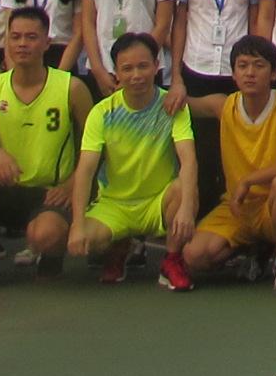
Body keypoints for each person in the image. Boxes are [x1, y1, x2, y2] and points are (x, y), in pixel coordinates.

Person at [0, 7, 90, 289]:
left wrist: (72, 183)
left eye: (31, 37)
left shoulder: (71, 88)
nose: (22, 44)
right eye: (15, 37)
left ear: (47, 42)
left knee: (45, 236)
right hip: (8, 186)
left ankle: (51, 255)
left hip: (51, 193)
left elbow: (94, 146)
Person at [67, 32, 199, 290]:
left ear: (156, 66)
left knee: (185, 190)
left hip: (157, 202)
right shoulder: (102, 112)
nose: (136, 75)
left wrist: (186, 208)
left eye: (143, 66)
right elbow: (86, 170)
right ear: (116, 72)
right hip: (114, 205)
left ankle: (172, 261)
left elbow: (189, 160)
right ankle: (119, 247)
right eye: (127, 69)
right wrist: (77, 224)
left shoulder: (172, 106)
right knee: (87, 241)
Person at [182, 34, 276, 291]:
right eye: (242, 66)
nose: (250, 73)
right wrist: (171, 87)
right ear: (233, 74)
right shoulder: (223, 105)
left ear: (274, 73)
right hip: (237, 207)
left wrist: (249, 180)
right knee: (195, 255)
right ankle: (251, 250)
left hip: (274, 205)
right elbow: (178, 104)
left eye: (259, 65)